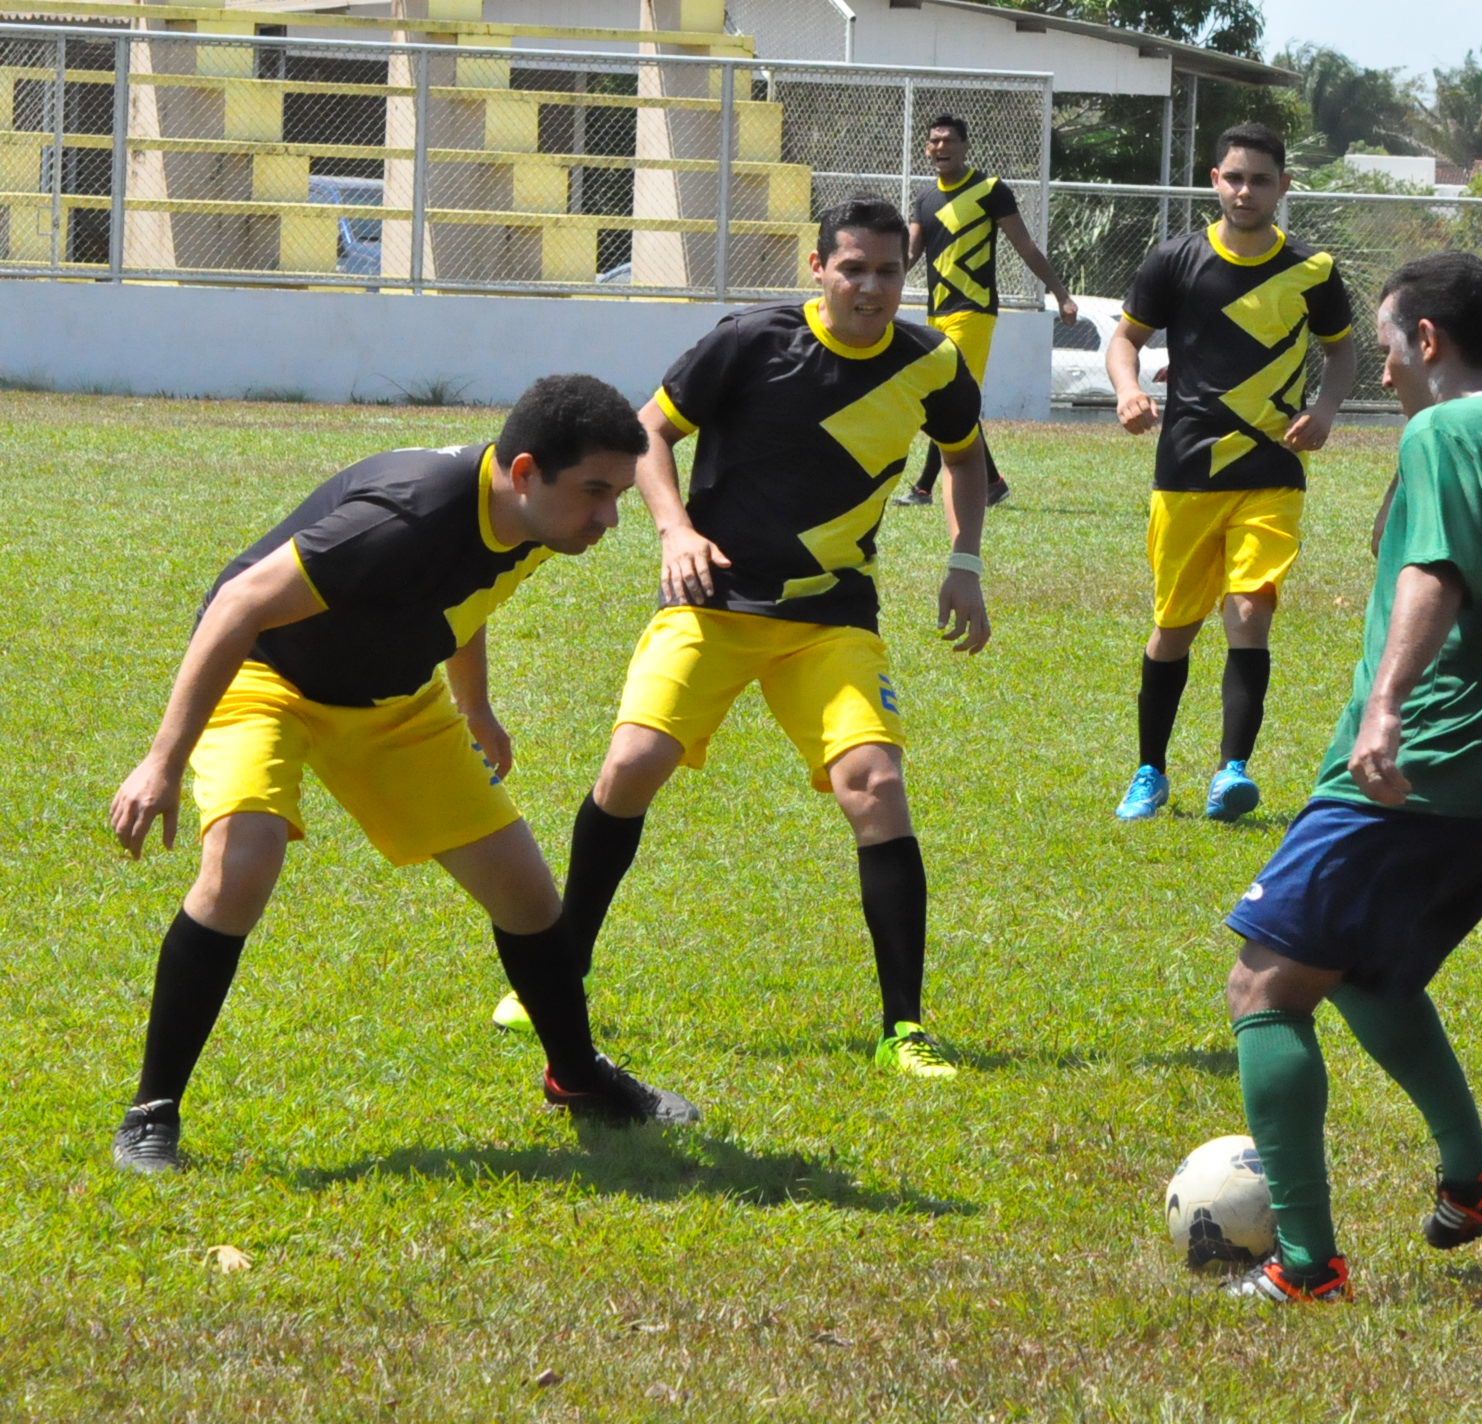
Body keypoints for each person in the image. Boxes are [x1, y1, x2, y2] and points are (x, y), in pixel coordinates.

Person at [106, 375, 699, 1174]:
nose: (609, 517)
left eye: (618, 493)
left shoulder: (530, 519)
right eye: (595, 492)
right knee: (242, 865)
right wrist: (162, 761)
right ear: (525, 472)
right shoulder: (405, 516)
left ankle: (577, 1077)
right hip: (266, 679)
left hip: (392, 700)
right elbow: (238, 604)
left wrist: (476, 706)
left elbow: (461, 595)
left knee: (526, 895)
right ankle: (151, 1112)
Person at [1220, 251, 1482, 1303]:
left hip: (1415, 775)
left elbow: (1432, 571)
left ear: (1428, 341)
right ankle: (1474, 1176)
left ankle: (1304, 1264)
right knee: (1370, 973)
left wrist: (1384, 704)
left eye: (1387, 342)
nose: (1382, 365)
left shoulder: (1446, 430)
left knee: (1265, 982)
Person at [523, 194, 991, 1080]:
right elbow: (649, 434)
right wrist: (676, 531)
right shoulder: (751, 340)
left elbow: (964, 456)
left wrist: (963, 561)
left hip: (830, 619)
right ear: (818, 269)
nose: (871, 287)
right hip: (714, 604)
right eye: (852, 268)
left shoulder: (934, 363)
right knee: (629, 768)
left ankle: (904, 1027)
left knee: (877, 787)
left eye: (889, 271)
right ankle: (558, 972)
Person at [1104, 121, 1356, 823]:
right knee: (1174, 628)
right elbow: (1126, 340)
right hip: (1185, 470)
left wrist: (1327, 409)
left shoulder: (1315, 270)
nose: (1246, 191)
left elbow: (1342, 354)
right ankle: (1150, 771)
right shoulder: (1175, 261)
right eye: (1233, 177)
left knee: (1251, 611)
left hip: (1273, 468)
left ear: (1284, 186)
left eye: (1261, 179)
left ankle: (1230, 772)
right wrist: (1128, 390)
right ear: (1214, 180)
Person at [888, 113, 1078, 509]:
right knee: (948, 397)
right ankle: (992, 482)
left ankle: (924, 488)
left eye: (949, 140)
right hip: (937, 312)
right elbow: (911, 253)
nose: (940, 147)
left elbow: (1025, 246)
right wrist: (882, 292)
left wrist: (1061, 294)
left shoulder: (990, 189)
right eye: (934, 141)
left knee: (947, 395)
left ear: (965, 146)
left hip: (973, 310)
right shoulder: (924, 199)